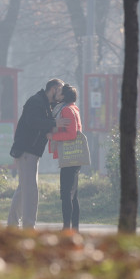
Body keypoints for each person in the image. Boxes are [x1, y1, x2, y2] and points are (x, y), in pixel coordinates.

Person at [7, 78, 67, 229]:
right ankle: (29, 226)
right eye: (60, 91)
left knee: (23, 189)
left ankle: (12, 225)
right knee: (30, 191)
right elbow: (32, 121)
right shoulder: (36, 101)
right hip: (27, 151)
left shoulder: (45, 104)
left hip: (30, 151)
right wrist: (54, 123)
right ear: (53, 89)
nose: (62, 95)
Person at [48, 84, 83, 231]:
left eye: (60, 92)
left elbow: (71, 134)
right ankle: (73, 228)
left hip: (70, 157)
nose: (57, 93)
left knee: (66, 194)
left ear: (63, 97)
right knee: (72, 195)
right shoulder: (72, 108)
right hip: (73, 157)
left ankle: (67, 228)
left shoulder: (67, 110)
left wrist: (53, 136)